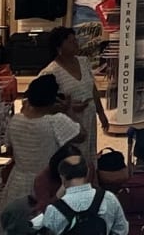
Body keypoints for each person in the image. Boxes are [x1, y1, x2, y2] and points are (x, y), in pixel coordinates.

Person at [4, 74, 84, 204]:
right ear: (53, 99)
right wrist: (68, 110)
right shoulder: (56, 121)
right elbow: (82, 135)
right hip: (49, 182)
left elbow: (10, 150)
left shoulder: (15, 120)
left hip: (18, 182)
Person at [41, 27, 108, 167]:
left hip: (89, 116)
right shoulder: (51, 72)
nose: (76, 44)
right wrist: (68, 108)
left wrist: (101, 113)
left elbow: (92, 88)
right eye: (71, 42)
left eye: (75, 40)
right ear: (59, 47)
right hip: (69, 121)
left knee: (90, 154)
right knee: (74, 157)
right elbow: (43, 104)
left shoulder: (83, 62)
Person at [31, 155, 128, 235]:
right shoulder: (109, 198)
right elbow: (122, 230)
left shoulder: (54, 210)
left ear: (62, 177)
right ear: (88, 172)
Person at [32, 144, 92, 214]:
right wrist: (58, 195)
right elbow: (44, 212)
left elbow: (97, 195)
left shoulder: (86, 169)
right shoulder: (42, 180)